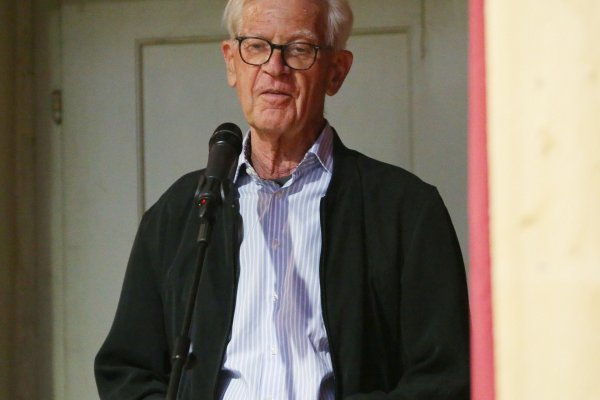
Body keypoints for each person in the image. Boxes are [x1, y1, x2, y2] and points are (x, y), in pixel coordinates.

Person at [94, 0, 470, 398]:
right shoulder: (181, 213)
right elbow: (127, 371)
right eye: (256, 46)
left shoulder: (406, 211)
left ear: (336, 71)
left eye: (299, 49)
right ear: (231, 62)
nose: (275, 68)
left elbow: (445, 378)